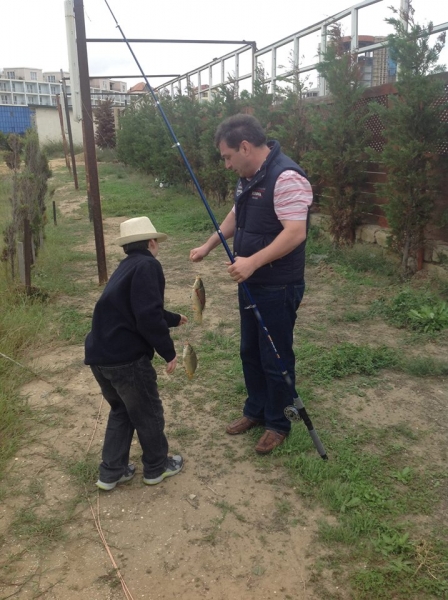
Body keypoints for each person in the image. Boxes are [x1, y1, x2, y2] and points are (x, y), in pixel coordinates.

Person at [190, 114, 313, 454]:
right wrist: (208, 245)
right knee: (250, 351)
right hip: (251, 282)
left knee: (275, 356)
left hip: (278, 284)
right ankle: (256, 410)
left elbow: (295, 232)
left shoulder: (286, 177)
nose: (227, 165)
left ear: (245, 147)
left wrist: (253, 261)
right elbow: (236, 215)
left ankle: (278, 423)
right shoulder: (248, 177)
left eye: (228, 157)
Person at [85, 216, 187, 490]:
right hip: (126, 360)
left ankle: (112, 472)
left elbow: (135, 307)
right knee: (148, 412)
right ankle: (157, 467)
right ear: (152, 242)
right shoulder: (148, 265)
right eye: (157, 243)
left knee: (122, 410)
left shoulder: (126, 266)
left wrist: (173, 318)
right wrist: (169, 352)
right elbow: (147, 315)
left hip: (100, 354)